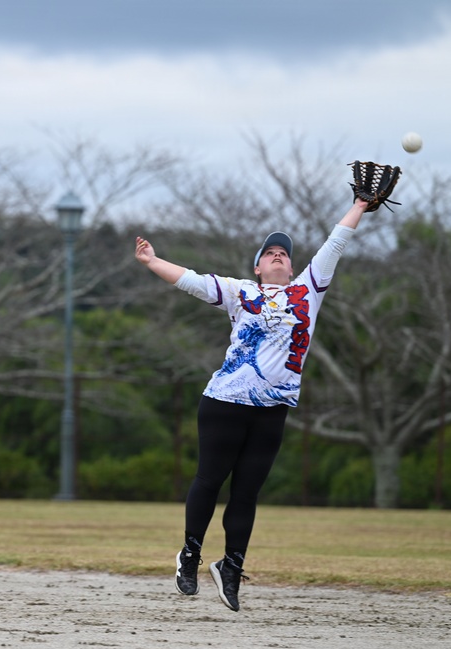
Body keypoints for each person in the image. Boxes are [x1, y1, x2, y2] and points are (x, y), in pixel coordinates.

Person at [134, 197, 370, 612]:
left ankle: (231, 566)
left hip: (272, 410)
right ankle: (189, 556)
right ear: (258, 268)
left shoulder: (308, 291)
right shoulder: (240, 292)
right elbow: (190, 280)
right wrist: (153, 261)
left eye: (284, 254)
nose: (278, 256)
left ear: (293, 268)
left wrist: (359, 205)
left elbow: (336, 242)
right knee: (209, 481)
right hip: (224, 402)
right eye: (269, 254)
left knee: (246, 493)